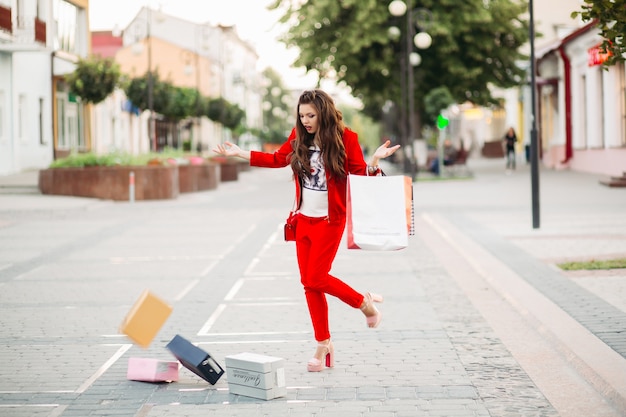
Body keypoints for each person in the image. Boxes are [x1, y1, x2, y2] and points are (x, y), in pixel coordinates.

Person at [213, 89, 400, 372]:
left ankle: (363, 302)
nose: (306, 121)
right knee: (309, 283)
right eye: (302, 116)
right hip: (303, 220)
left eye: (311, 115)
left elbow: (359, 176)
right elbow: (278, 159)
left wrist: (374, 163)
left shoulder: (346, 138)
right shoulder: (300, 136)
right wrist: (241, 153)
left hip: (330, 220)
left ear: (323, 112)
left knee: (316, 276)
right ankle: (323, 342)